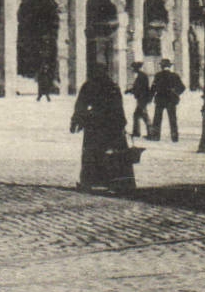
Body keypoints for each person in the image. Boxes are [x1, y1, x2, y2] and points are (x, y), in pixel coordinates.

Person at [72, 62, 136, 193]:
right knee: (113, 153)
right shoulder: (113, 86)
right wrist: (122, 124)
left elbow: (81, 105)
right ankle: (117, 182)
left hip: (95, 124)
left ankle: (90, 182)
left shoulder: (89, 85)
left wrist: (76, 121)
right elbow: (119, 107)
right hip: (112, 124)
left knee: (92, 153)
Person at [150, 61, 185, 142]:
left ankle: (156, 136)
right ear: (169, 66)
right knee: (173, 119)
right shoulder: (174, 76)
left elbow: (153, 88)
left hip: (160, 99)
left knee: (157, 118)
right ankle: (174, 137)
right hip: (171, 100)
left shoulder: (158, 75)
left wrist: (150, 97)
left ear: (161, 66)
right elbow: (182, 87)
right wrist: (176, 93)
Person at [124, 60, 153, 138]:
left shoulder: (141, 76)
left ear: (137, 68)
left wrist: (129, 91)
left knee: (144, 115)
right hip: (142, 98)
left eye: (133, 68)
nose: (133, 69)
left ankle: (150, 133)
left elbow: (139, 88)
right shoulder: (141, 75)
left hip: (142, 98)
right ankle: (137, 132)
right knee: (137, 115)